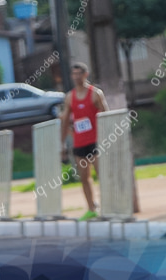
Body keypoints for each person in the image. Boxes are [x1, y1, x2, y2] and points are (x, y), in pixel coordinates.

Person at [59, 63, 107, 221]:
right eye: (74, 74)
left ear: (85, 74)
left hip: (96, 142)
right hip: (79, 143)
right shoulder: (69, 97)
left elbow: (106, 114)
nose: (76, 77)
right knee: (84, 178)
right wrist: (63, 143)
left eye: (79, 73)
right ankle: (91, 208)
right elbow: (65, 120)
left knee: (102, 175)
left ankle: (107, 206)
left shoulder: (95, 94)